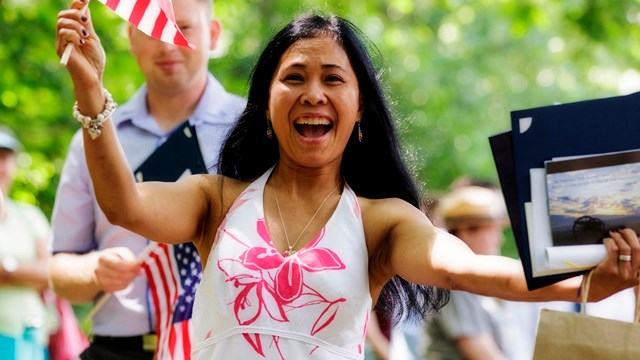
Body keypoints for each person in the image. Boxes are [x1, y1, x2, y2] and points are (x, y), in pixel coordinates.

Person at [56, 5, 640, 359]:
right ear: (265, 105)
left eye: (333, 78)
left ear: (359, 109)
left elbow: (474, 270)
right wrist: (92, 95)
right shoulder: (215, 198)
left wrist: (589, 281)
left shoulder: (381, 221)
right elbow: (126, 204)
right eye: (294, 78)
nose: (313, 93)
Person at [50, 0, 245, 358]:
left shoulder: (252, 132)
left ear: (213, 35)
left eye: (183, 29)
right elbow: (59, 269)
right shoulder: (94, 137)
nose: (167, 44)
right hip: (117, 348)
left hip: (222, 347)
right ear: (131, 37)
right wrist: (92, 270)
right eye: (153, 30)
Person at [424, 184, 539, 360]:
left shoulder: (480, 280)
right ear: (466, 232)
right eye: (492, 230)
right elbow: (482, 353)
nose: (499, 239)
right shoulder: (454, 282)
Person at [0, 127, 52, 359]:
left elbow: (52, 272)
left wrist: (8, 268)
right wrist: (26, 272)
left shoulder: (29, 215)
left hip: (29, 337)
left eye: (4, 157)